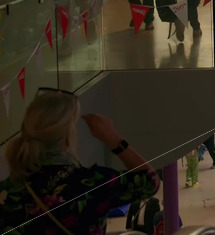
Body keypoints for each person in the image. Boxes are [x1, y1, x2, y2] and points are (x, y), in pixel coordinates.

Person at [0, 91, 160, 233]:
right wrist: (113, 140)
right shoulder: (92, 183)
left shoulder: (8, 193)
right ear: (68, 137)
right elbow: (149, 181)